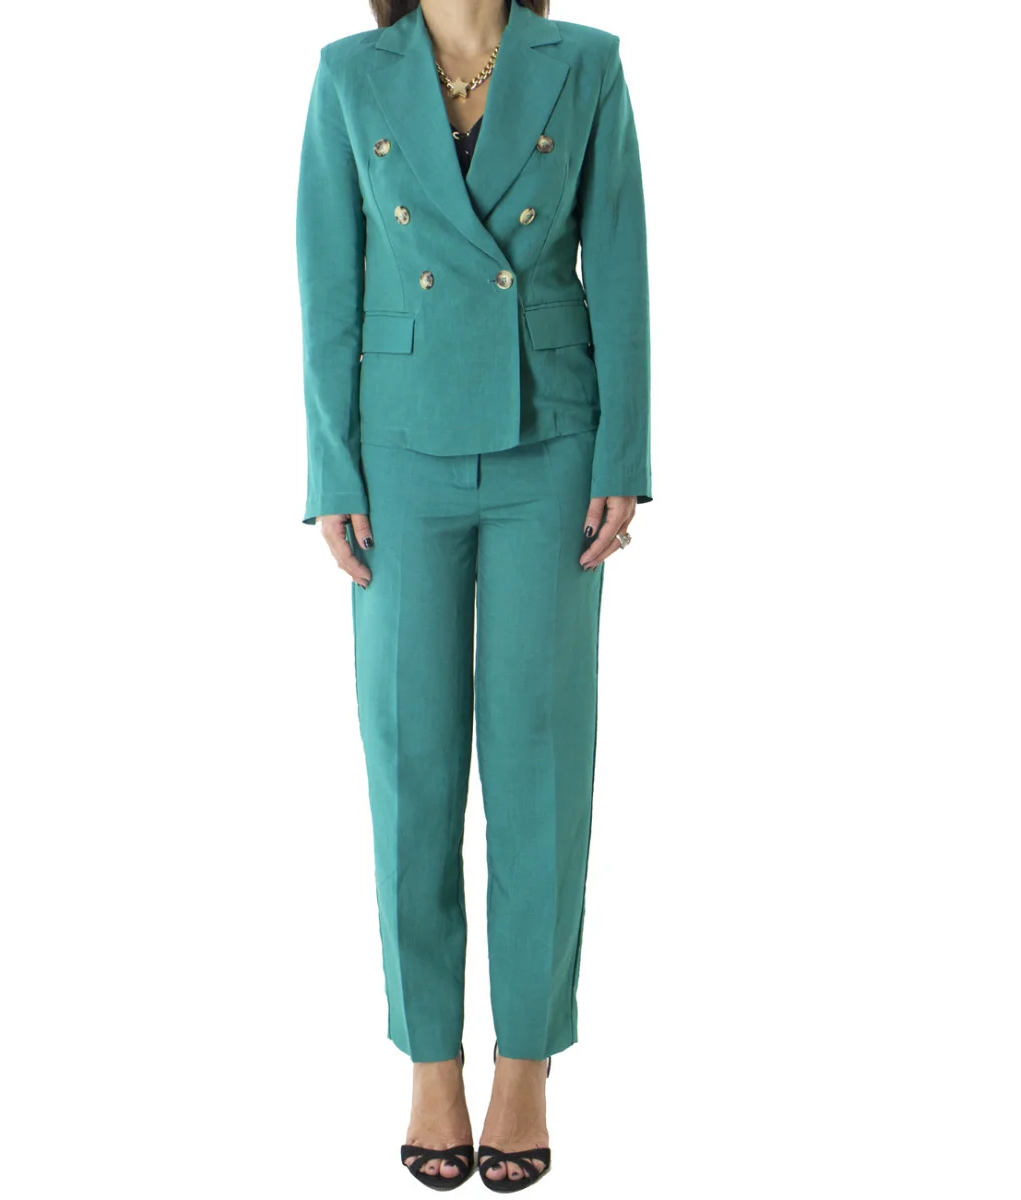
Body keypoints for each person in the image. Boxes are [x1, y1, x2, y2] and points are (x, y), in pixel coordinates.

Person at [296, 0, 651, 1189]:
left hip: (555, 440)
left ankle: (527, 1061)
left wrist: (623, 455)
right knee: (411, 760)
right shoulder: (350, 73)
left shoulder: (585, 62)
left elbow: (621, 263)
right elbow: (328, 279)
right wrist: (331, 470)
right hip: (397, 449)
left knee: (540, 756)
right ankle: (430, 1059)